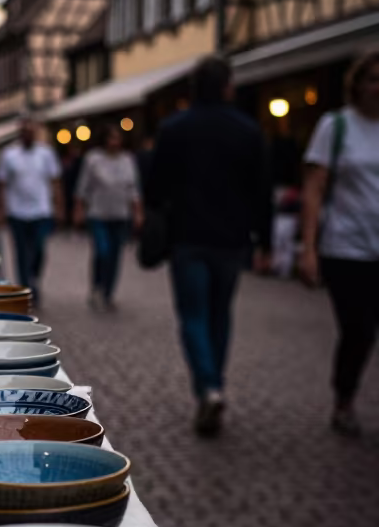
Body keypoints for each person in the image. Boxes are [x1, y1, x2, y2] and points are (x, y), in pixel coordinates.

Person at [146, 56, 272, 436]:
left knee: (193, 315)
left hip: (188, 236)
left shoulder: (173, 129)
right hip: (232, 239)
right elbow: (262, 192)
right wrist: (264, 241)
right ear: (227, 86)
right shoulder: (248, 131)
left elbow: (154, 189)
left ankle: (208, 386)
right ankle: (214, 381)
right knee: (220, 314)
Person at [300, 49, 379, 437]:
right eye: (373, 79)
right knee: (359, 328)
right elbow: (314, 188)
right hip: (345, 246)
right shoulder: (336, 126)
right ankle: (344, 398)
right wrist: (308, 247)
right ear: (358, 84)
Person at [74, 124, 142, 309]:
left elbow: (133, 188)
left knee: (115, 255)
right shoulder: (93, 159)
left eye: (117, 138)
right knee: (103, 252)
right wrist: (79, 209)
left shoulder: (128, 159)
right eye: (111, 137)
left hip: (120, 214)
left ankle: (108, 292)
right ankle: (97, 285)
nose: (114, 142)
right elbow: (83, 187)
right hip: (98, 214)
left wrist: (137, 212)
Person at [0, 119, 62, 303]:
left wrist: (58, 206)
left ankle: (34, 278)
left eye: (31, 132)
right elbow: (2, 184)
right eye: (25, 132)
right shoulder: (9, 154)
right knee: (21, 253)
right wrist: (2, 209)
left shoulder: (46, 153)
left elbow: (55, 181)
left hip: (41, 211)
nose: (28, 135)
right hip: (17, 212)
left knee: (39, 250)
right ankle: (26, 289)